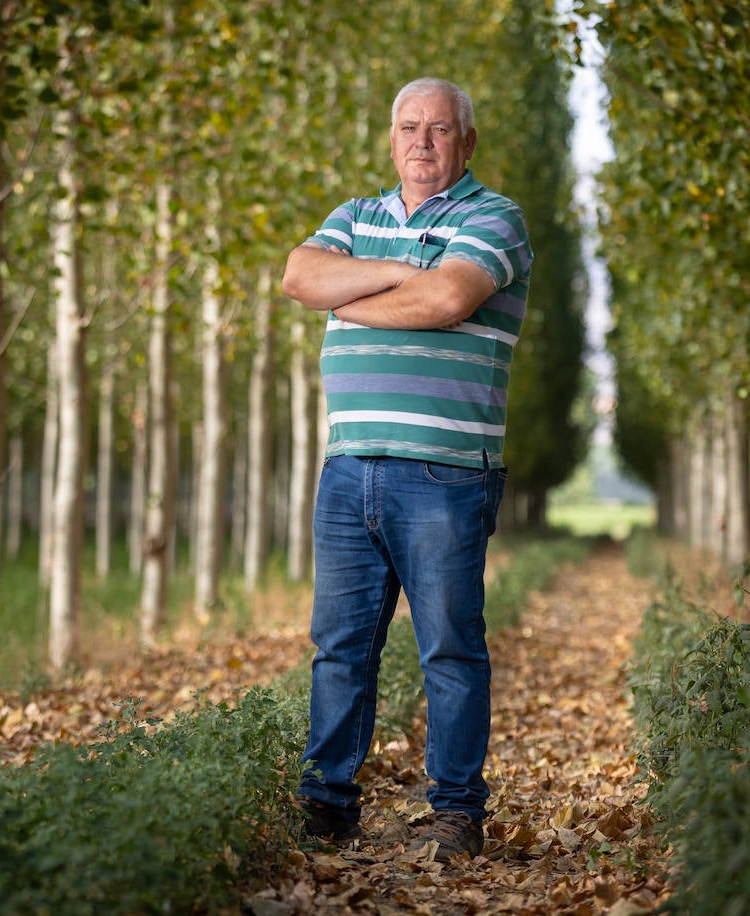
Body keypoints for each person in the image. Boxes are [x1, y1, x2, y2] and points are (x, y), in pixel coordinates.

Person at [281, 77, 531, 862]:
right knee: (339, 647)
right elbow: (298, 276)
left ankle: (457, 811)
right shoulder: (354, 215)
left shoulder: (495, 218)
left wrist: (355, 291)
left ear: (467, 142)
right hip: (349, 466)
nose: (422, 142)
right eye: (408, 127)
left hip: (446, 473)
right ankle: (328, 805)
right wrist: (405, 276)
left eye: (439, 129)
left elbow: (449, 298)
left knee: (449, 648)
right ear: (391, 138)